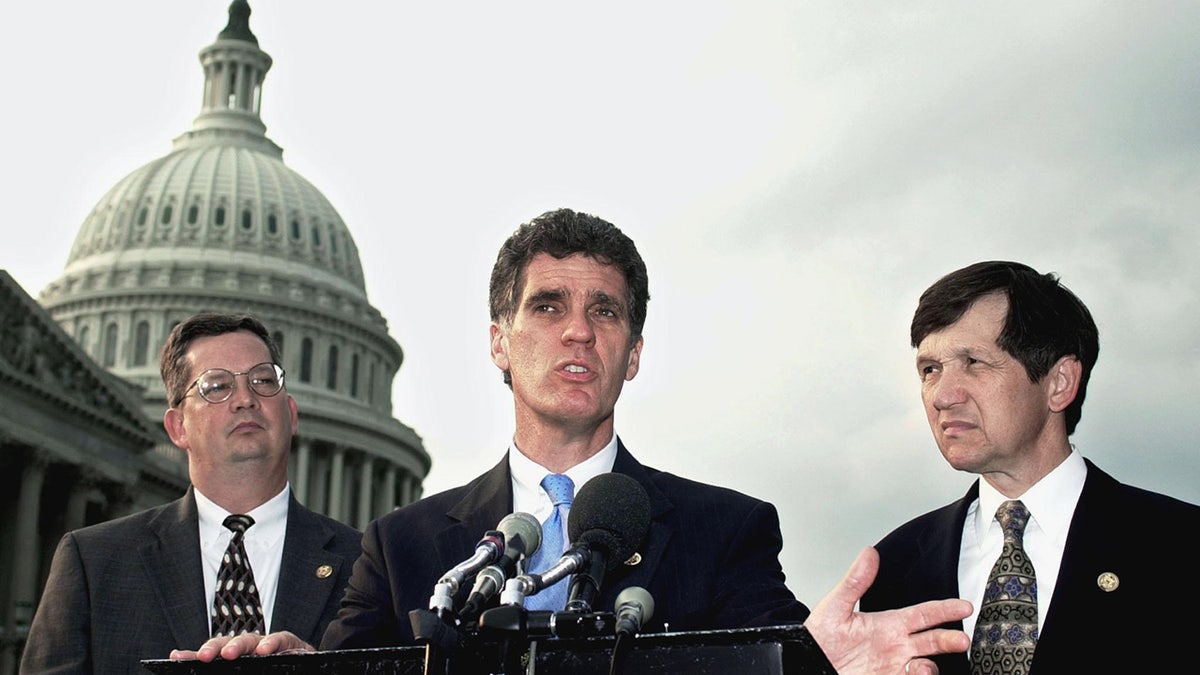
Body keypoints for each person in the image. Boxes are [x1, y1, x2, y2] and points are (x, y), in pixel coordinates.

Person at [192, 209, 970, 673]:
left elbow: (778, 661)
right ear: (499, 341)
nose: (576, 330)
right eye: (548, 306)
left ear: (632, 353)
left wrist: (821, 662)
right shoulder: (406, 550)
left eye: (605, 311)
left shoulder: (724, 532)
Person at [860, 261, 1200, 674]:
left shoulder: (1181, 548)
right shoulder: (893, 567)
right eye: (930, 370)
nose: (942, 396)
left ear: (1059, 382)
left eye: (974, 362)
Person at [21, 313, 362, 674]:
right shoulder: (95, 563)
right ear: (177, 427)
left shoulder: (366, 568)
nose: (245, 398)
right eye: (217, 386)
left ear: (291, 415)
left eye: (263, 380)